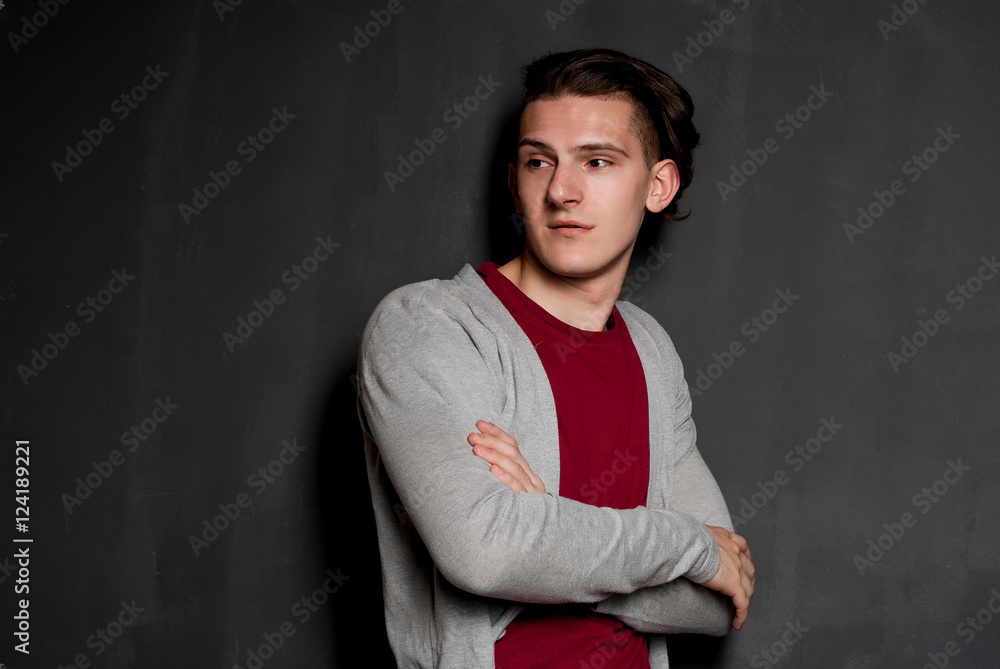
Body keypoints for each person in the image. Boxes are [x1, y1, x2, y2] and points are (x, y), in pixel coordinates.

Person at [357, 47, 754, 668]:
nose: (561, 191)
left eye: (597, 161)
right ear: (514, 182)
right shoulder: (429, 327)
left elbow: (713, 605)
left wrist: (546, 530)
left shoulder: (651, 351)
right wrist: (690, 545)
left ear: (658, 186)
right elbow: (485, 554)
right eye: (539, 161)